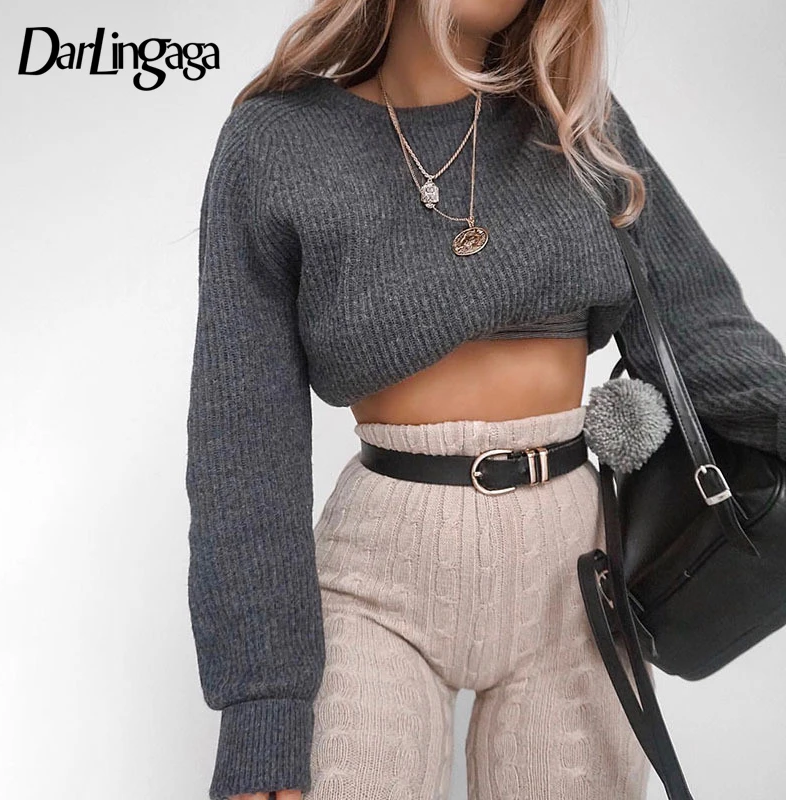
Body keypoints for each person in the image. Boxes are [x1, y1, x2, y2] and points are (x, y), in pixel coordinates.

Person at [184, 0, 786, 798]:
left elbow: (701, 328)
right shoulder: (276, 141)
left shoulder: (577, 123)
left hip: (575, 580)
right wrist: (262, 707)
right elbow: (242, 439)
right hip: (377, 583)